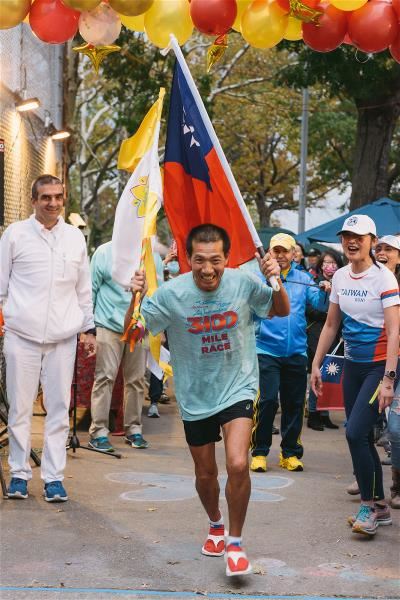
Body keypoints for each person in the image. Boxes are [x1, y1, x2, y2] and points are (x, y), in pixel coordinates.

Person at [127, 223, 289, 577]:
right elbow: (134, 333)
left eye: (215, 260)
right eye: (199, 260)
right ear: (188, 258)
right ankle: (215, 523)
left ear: (227, 258)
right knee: (205, 474)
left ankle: (235, 541)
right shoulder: (172, 294)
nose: (207, 269)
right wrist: (134, 298)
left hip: (238, 386)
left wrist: (277, 280)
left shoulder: (243, 283)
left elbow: (280, 310)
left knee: (237, 464)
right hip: (195, 393)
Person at [0, 174, 96, 502]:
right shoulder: (15, 235)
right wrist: (12, 318)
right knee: (20, 409)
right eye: (46, 197)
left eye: (58, 196)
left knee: (58, 408)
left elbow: (84, 289)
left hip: (63, 338)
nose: (53, 203)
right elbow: (1, 287)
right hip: (21, 337)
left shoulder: (74, 239)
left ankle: (53, 478)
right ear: (33, 201)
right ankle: (19, 475)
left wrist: (89, 328)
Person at [311, 216, 399, 537]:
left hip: (378, 368)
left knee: (354, 433)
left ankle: (367, 506)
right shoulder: (341, 278)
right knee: (360, 437)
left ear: (371, 241)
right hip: (352, 366)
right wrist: (316, 364)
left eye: (358, 236)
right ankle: (381, 506)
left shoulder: (384, 279)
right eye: (346, 235)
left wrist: (389, 378)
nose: (351, 241)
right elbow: (332, 324)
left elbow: (393, 332)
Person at [250, 233, 329, 474]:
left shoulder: (304, 278)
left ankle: (290, 453)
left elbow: (321, 305)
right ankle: (260, 452)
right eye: (276, 251)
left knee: (294, 403)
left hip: (296, 351)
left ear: (294, 253)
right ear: (269, 253)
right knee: (267, 401)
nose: (281, 256)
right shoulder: (259, 278)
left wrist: (325, 289)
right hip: (266, 350)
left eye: (285, 251)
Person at [88, 241, 148, 450]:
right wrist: (88, 329)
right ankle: (98, 432)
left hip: (138, 326)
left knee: (136, 380)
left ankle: (133, 430)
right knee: (105, 377)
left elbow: (156, 293)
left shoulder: (149, 255)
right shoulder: (104, 252)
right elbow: (91, 290)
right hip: (108, 324)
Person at [375, 235, 400, 509]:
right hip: (375, 362)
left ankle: (396, 484)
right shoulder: (366, 281)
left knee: (395, 429)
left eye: (389, 249)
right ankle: (365, 477)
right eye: (379, 248)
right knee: (362, 427)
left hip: (397, 366)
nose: (382, 252)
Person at [306, 251, 343, 431]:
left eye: (334, 262)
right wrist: (330, 315)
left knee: (331, 373)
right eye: (327, 262)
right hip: (317, 335)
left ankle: (325, 413)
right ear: (321, 265)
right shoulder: (314, 284)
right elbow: (310, 310)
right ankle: (313, 413)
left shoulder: (343, 282)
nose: (330, 266)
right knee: (318, 372)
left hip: (336, 336)